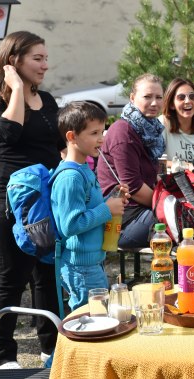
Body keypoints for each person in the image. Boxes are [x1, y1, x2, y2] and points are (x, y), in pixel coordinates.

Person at [0, 31, 66, 368]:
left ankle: (49, 348)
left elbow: (56, 147)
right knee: (13, 277)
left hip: (45, 201)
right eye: (37, 58)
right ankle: (2, 355)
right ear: (14, 60)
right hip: (8, 203)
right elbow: (8, 133)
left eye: (45, 57)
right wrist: (15, 89)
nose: (46, 65)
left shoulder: (47, 100)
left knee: (46, 275)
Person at [51, 102, 128, 310]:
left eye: (102, 132)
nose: (101, 139)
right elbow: (71, 224)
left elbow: (88, 206)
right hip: (80, 267)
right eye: (94, 133)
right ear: (71, 137)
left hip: (91, 262)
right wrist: (107, 209)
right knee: (94, 321)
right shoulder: (70, 177)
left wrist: (112, 198)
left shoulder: (83, 169)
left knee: (99, 317)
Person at [97, 73, 164, 248]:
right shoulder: (124, 132)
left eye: (159, 97)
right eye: (147, 96)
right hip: (123, 221)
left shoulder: (150, 130)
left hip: (142, 210)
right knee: (183, 222)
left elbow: (149, 176)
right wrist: (167, 204)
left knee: (193, 221)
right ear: (133, 98)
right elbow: (133, 187)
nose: (154, 102)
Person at [159, 78, 194, 163]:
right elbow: (154, 162)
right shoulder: (162, 124)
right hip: (173, 176)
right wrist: (185, 166)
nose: (188, 101)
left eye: (192, 96)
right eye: (181, 97)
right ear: (171, 104)